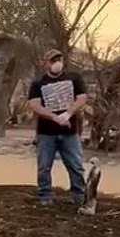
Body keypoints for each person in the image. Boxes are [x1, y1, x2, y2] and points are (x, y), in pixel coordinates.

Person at [28, 49, 88, 206]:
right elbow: (34, 105)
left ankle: (79, 196)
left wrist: (68, 114)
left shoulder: (74, 78)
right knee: (44, 167)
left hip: (70, 132)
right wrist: (54, 117)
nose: (57, 63)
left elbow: (82, 98)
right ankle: (45, 196)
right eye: (53, 60)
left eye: (59, 59)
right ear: (46, 63)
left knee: (76, 166)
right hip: (46, 133)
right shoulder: (38, 83)